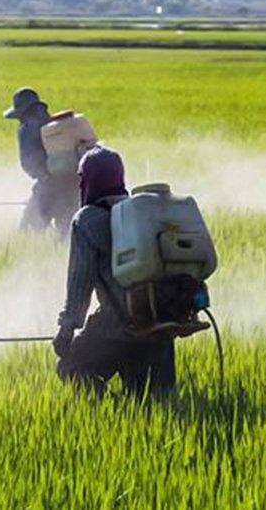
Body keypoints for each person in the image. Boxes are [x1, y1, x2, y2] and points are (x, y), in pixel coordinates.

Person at [53, 145, 176, 398]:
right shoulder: (142, 212)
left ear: (89, 181)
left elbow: (80, 284)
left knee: (70, 367)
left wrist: (67, 329)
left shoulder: (87, 220)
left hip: (116, 326)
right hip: (162, 327)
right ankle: (127, 414)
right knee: (155, 404)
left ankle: (113, 409)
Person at [3, 87, 79, 236]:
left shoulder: (26, 128)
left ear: (22, 111)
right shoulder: (52, 123)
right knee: (67, 232)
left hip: (48, 186)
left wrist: (40, 190)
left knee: (27, 232)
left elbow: (29, 163)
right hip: (74, 182)